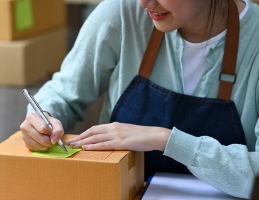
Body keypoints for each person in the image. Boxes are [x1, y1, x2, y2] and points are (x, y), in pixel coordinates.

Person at [20, 0, 259, 198]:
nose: (144, 3)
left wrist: (165, 139)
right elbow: (63, 92)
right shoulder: (121, 12)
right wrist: (43, 118)